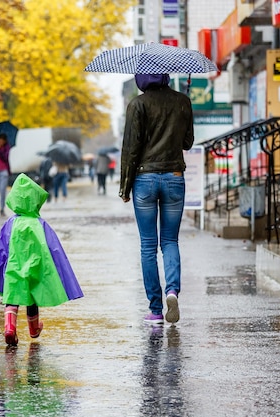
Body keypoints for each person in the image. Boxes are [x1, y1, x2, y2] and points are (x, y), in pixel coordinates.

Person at [119, 73, 194, 326]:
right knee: (170, 240)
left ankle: (155, 308)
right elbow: (187, 142)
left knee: (148, 246)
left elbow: (131, 148)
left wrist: (125, 187)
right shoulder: (182, 101)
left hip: (145, 180)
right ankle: (172, 291)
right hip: (174, 176)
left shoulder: (137, 105)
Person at [0, 173, 83, 346]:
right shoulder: (40, 224)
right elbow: (53, 248)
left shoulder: (11, 223)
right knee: (32, 297)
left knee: (12, 297)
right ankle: (34, 329)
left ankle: (10, 328)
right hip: (35, 268)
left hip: (13, 268)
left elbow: (0, 248)